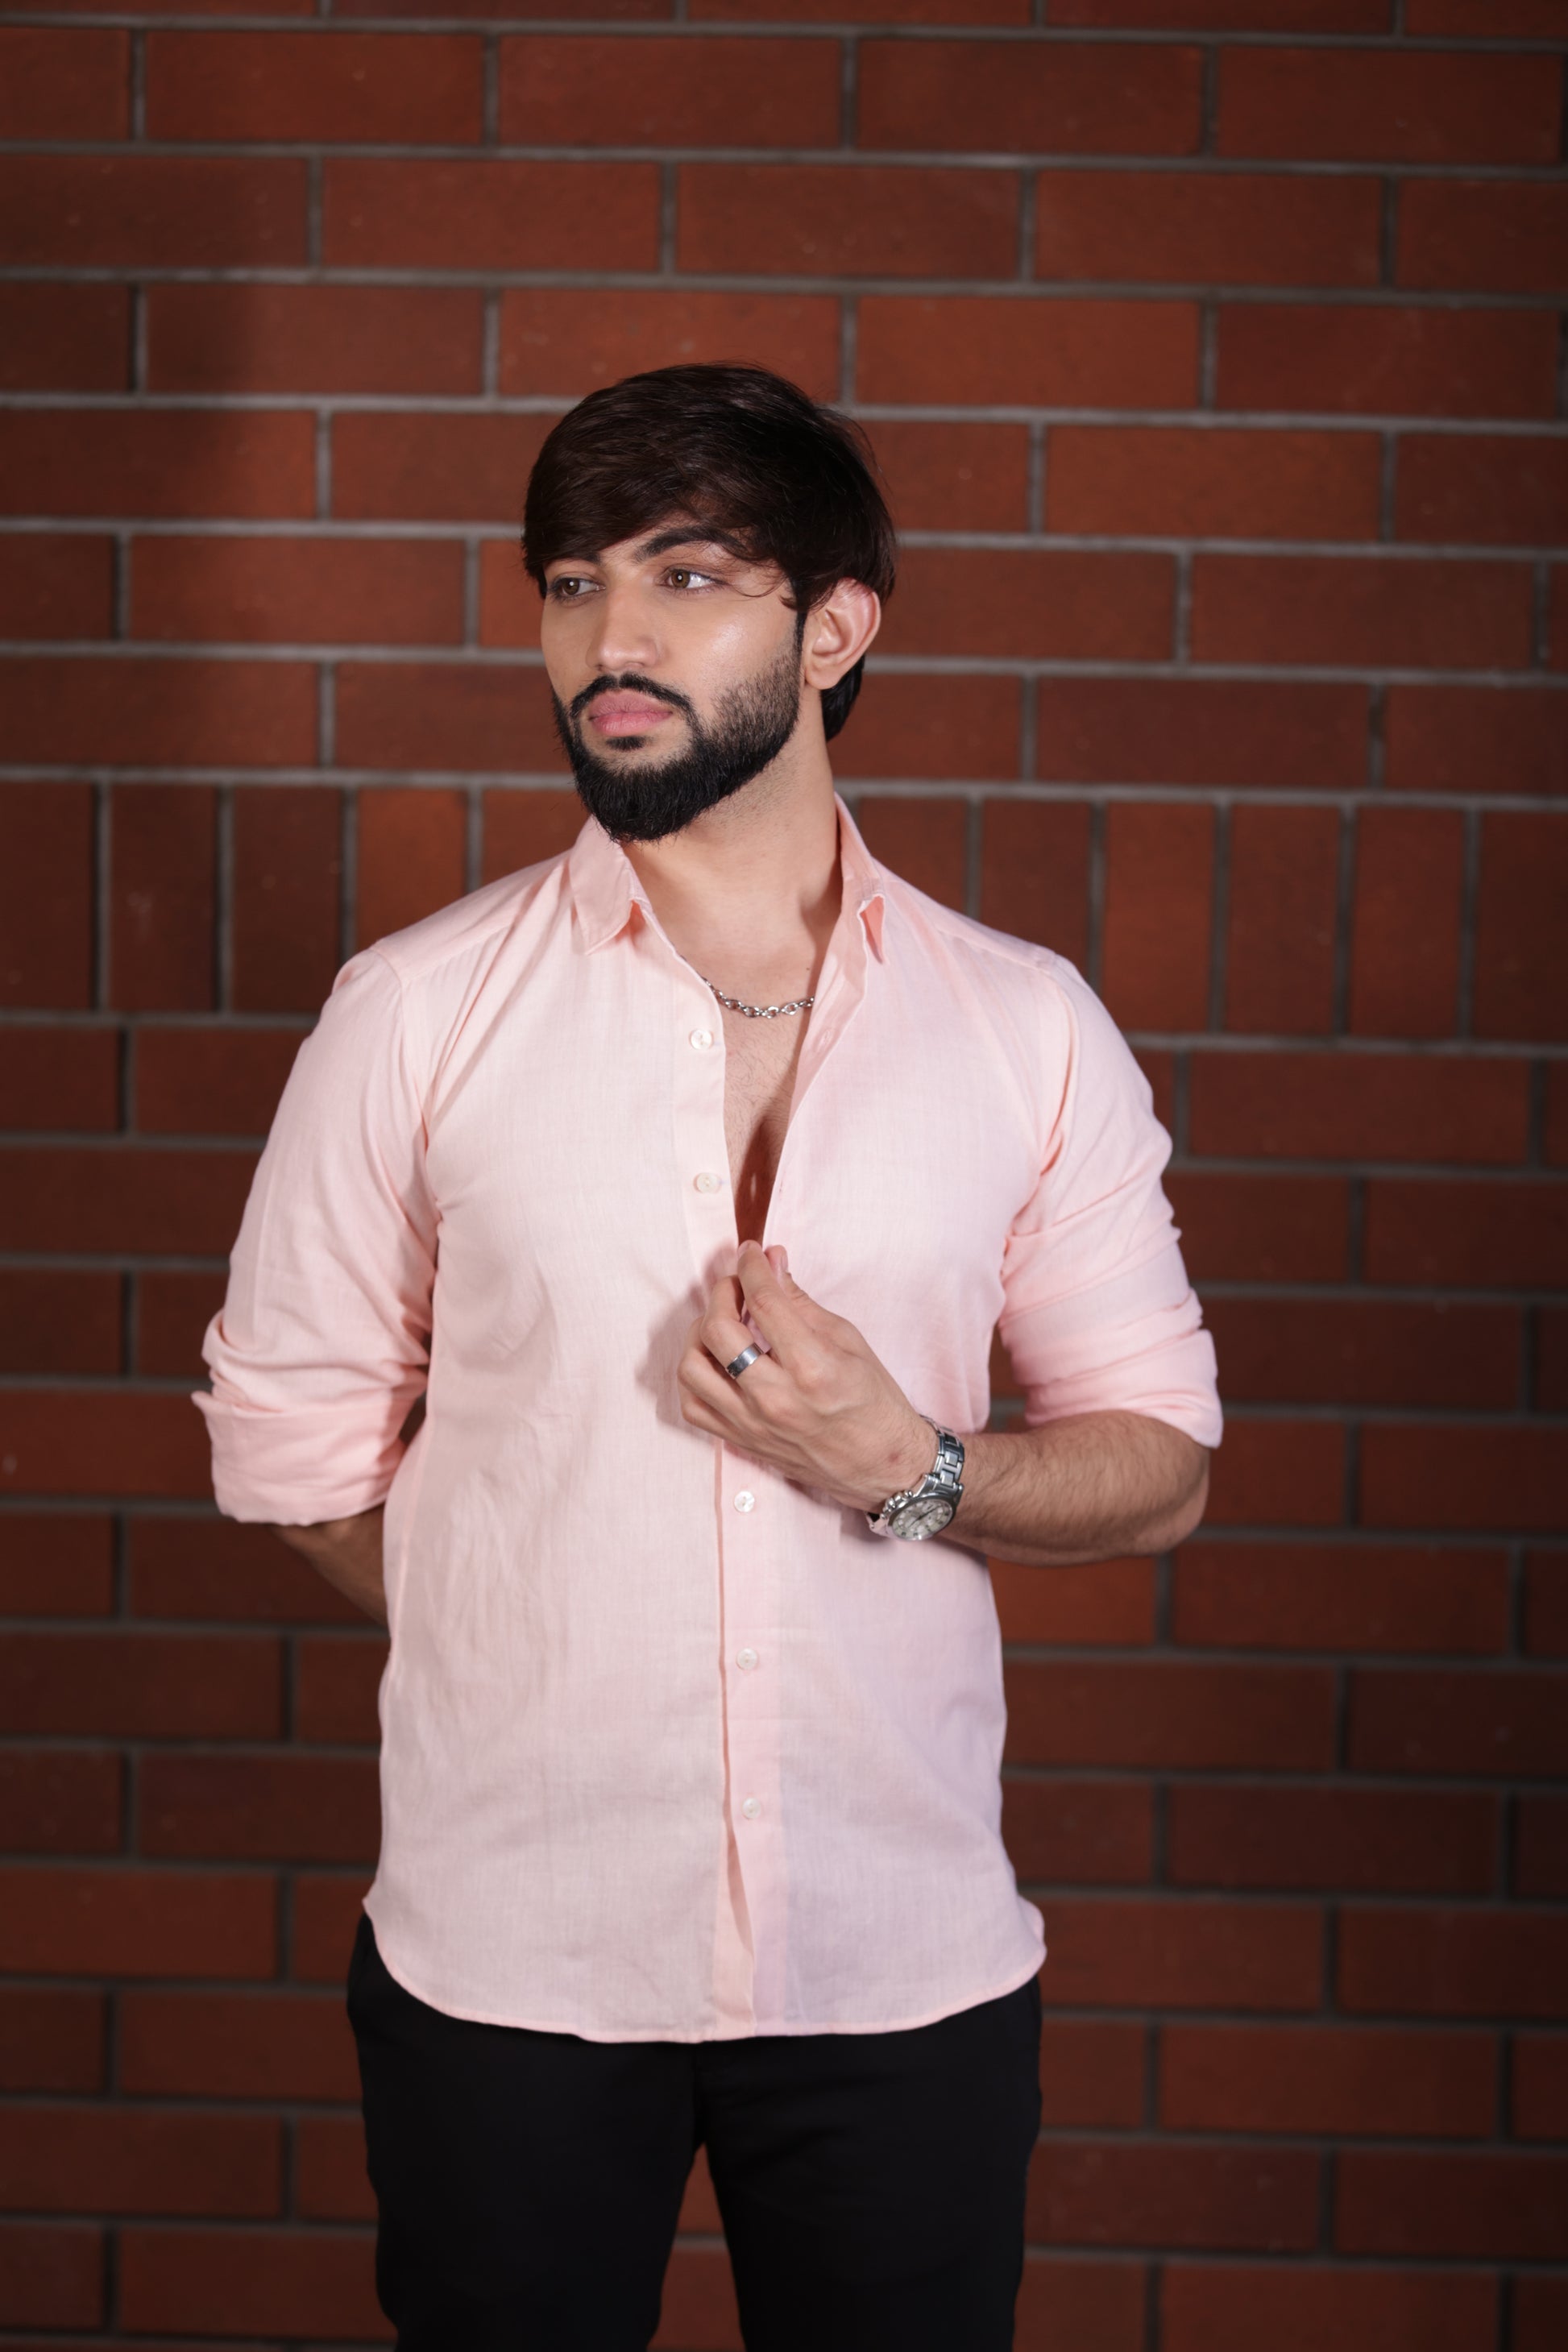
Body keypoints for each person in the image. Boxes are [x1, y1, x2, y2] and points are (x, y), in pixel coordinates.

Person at [196, 363, 1222, 2351]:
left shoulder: (1024, 1028)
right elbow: (294, 1451)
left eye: (684, 576)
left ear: (835, 628)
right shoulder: (413, 1012)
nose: (611, 639)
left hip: (900, 1966)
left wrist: (911, 1466)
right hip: (509, 1958)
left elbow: (1158, 1458)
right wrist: (547, 1615)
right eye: (572, 584)